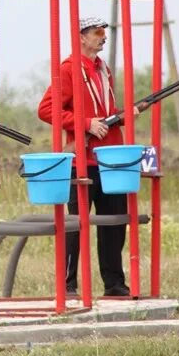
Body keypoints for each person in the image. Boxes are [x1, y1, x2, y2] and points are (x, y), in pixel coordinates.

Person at [37, 16, 133, 297]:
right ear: (81, 36)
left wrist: (122, 116)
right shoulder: (68, 69)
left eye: (105, 31)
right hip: (82, 160)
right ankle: (68, 285)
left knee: (114, 223)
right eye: (97, 32)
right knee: (75, 225)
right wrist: (86, 123)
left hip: (111, 159)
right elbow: (46, 110)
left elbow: (105, 111)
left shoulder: (102, 69)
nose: (104, 36)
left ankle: (114, 284)